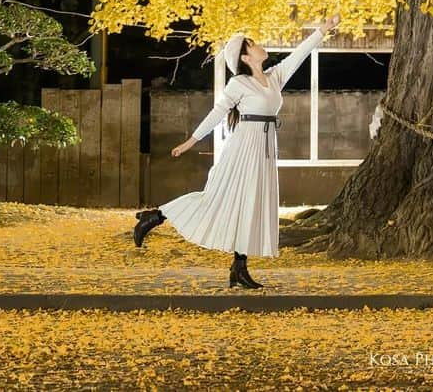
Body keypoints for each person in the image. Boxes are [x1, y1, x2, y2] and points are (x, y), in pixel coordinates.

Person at [132, 14, 340, 288]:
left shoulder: (273, 77)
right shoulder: (239, 84)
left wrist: (323, 30)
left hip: (264, 147)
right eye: (252, 44)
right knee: (217, 198)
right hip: (243, 146)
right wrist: (191, 141)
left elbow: (299, 55)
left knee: (252, 202)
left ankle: (239, 268)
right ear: (244, 57)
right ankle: (156, 216)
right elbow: (217, 113)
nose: (258, 46)